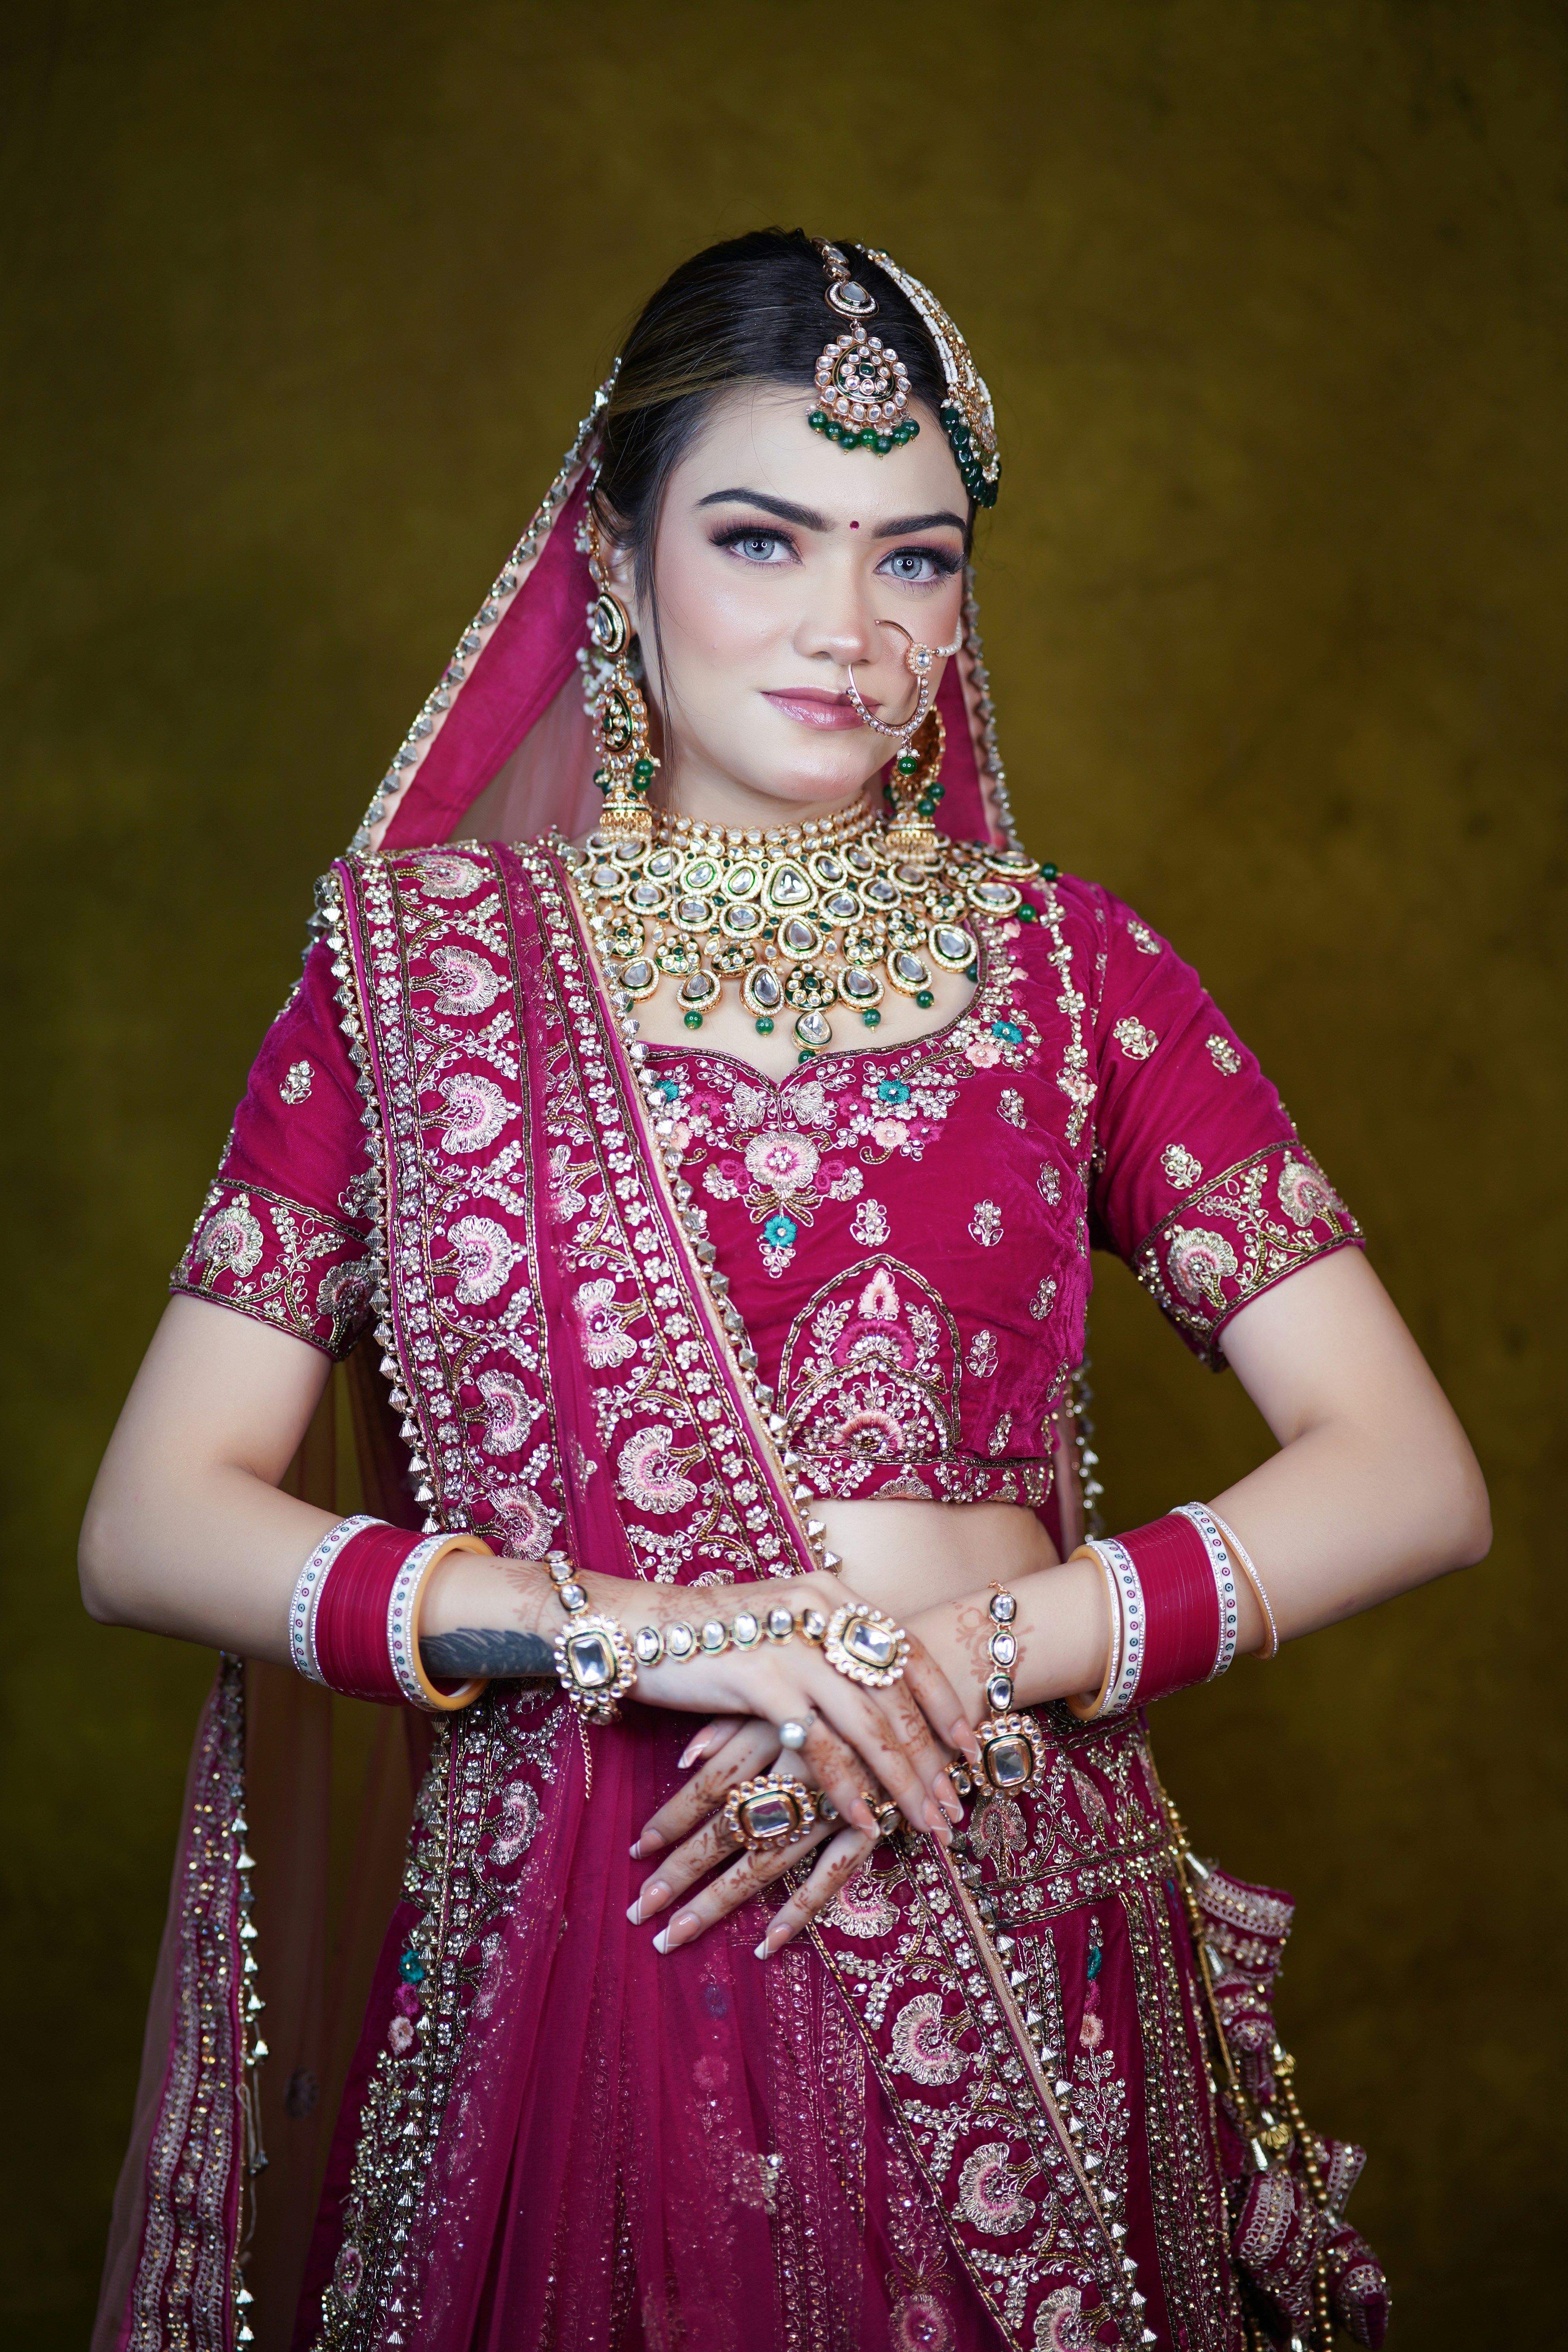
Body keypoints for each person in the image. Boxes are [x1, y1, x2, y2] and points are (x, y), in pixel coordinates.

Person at [82, 230, 1487, 2352]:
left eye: (916, 560)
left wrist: (958, 1662)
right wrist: (656, 1634)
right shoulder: (419, 975)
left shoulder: (1074, 976)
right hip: (600, 1920)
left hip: (1006, 1897)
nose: (852, 629)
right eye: (766, 539)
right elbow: (155, 1519)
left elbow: (1406, 1473)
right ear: (619, 566)